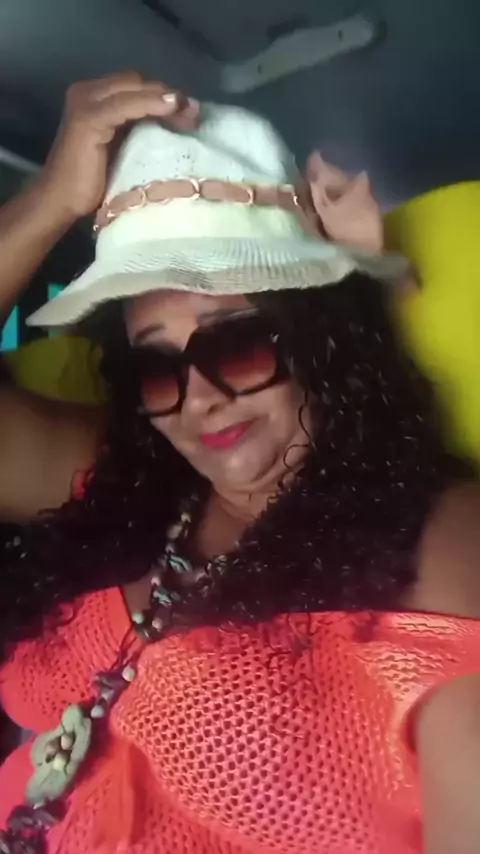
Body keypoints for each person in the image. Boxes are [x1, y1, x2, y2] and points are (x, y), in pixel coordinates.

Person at [1, 74, 480, 854]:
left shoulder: (442, 537)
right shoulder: (122, 479)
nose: (200, 397)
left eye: (239, 343)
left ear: (323, 340)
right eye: (159, 366)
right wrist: (52, 199)